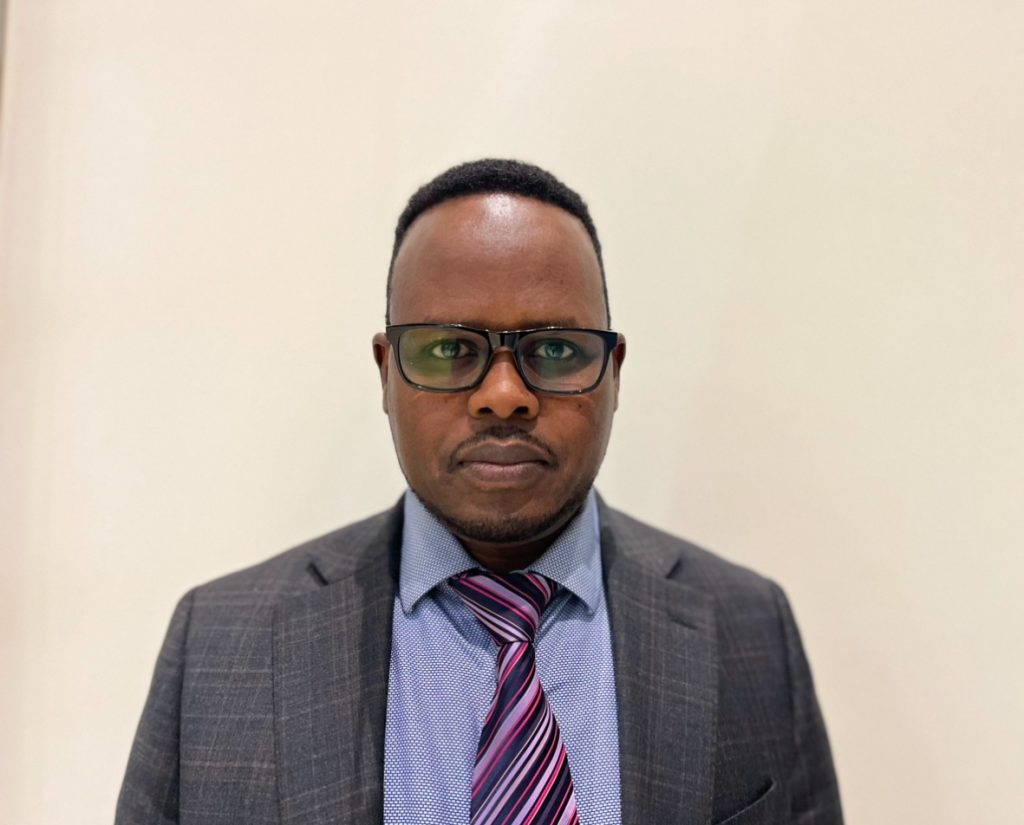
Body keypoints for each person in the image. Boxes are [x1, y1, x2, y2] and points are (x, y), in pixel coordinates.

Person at [116, 159, 843, 825]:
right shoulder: (220, 643)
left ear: (614, 374)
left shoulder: (750, 629)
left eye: (554, 349)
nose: (503, 395)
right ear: (386, 373)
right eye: (448, 349)